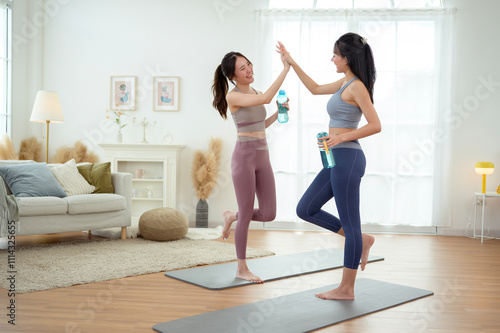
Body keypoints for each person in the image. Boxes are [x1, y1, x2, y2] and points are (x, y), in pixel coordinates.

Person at [278, 32, 380, 300]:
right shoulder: (345, 82)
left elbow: (375, 125)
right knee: (306, 208)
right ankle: (363, 239)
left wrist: (341, 136)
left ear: (346, 58)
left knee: (351, 223)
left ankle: (347, 289)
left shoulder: (357, 86)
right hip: (335, 158)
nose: (332, 58)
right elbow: (313, 88)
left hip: (349, 158)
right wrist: (291, 63)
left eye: (335, 54)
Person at [212, 50, 290, 283]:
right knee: (247, 213)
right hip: (244, 157)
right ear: (232, 76)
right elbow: (266, 98)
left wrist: (279, 113)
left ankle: (231, 216)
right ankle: (241, 268)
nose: (249, 70)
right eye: (242, 68)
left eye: (249, 65)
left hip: (262, 156)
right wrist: (286, 69)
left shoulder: (255, 91)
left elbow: (260, 123)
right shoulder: (233, 97)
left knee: (270, 213)